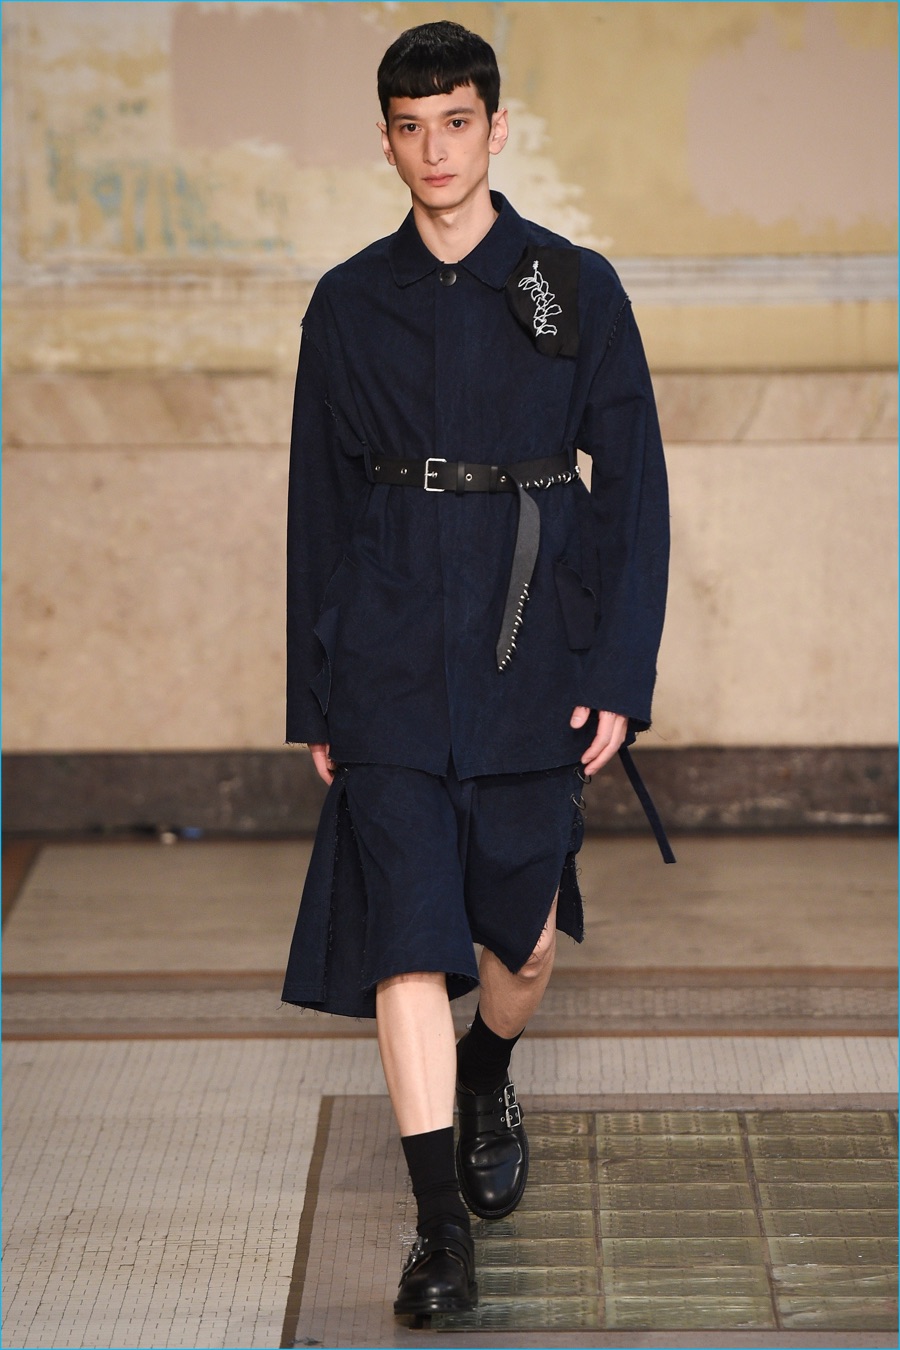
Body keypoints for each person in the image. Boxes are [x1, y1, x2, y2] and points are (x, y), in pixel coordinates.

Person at [282, 20, 671, 1318]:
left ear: (496, 129)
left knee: (525, 938)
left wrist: (619, 669)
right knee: (406, 932)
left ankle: (490, 1063)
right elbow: (318, 502)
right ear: (386, 140)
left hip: (531, 647)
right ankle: (438, 1231)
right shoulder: (348, 302)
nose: (435, 149)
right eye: (411, 127)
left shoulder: (573, 286)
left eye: (456, 122)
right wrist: (316, 692)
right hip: (389, 646)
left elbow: (634, 491)